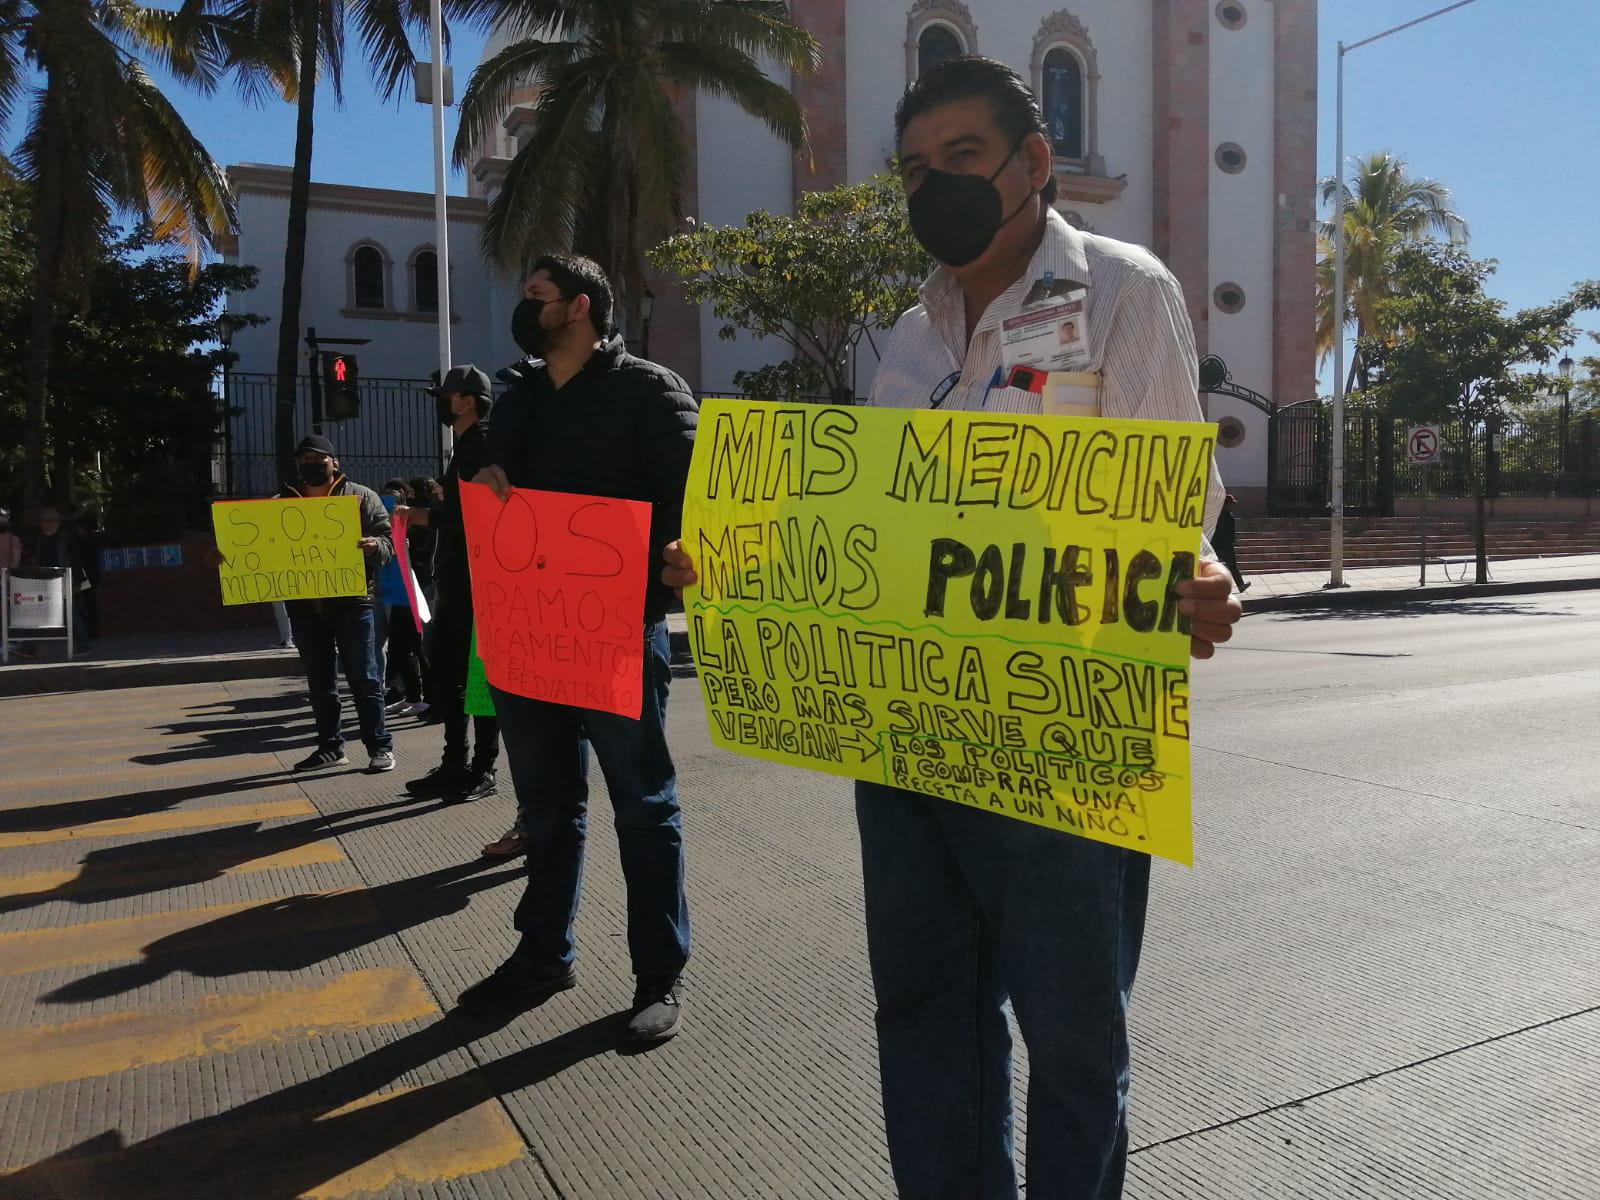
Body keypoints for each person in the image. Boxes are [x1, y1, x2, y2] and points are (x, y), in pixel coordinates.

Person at [661, 57, 1244, 1199]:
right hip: (908, 738)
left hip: (1064, 738)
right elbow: (885, 529)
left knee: (1074, 1039)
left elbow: (1176, 508)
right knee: (926, 1016)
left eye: (962, 159)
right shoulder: (909, 332)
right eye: (915, 170)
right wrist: (736, 567)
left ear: (1033, 163)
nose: (934, 187)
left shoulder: (1124, 290)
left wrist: (1207, 579)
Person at [455, 254, 697, 1046]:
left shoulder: (651, 392)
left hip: (617, 633)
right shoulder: (516, 392)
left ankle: (658, 973)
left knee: (643, 805)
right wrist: (488, 476)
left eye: (537, 298)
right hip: (529, 635)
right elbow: (493, 481)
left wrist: (676, 558)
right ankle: (542, 954)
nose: (525, 311)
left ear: (581, 308)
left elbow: (689, 503)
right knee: (550, 805)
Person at [394, 366, 500, 807]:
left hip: (476, 584)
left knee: (475, 679)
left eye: (447, 395)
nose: (441, 402)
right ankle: (457, 763)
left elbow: (476, 512)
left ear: (468, 401)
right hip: (460, 580)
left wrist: (422, 516)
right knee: (454, 677)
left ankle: (481, 767)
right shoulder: (470, 446)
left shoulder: (481, 444)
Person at [276, 434, 397, 773]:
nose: (310, 465)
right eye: (304, 460)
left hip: (351, 603)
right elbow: (261, 544)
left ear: (335, 462)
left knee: (364, 678)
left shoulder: (361, 497)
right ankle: (330, 747)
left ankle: (380, 746)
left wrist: (374, 546)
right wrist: (230, 556)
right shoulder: (283, 501)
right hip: (303, 606)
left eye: (317, 458)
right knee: (320, 682)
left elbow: (388, 540)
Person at [376, 479, 428, 716]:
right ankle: (411, 695)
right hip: (398, 593)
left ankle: (421, 697)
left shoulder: (421, 522)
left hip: (413, 593)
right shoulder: (393, 523)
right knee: (398, 646)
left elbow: (422, 558)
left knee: (414, 647)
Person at [28, 506, 90, 653]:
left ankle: (83, 645)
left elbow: (76, 561)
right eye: (45, 521)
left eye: (51, 521)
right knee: (41, 613)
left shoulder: (66, 540)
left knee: (70, 614)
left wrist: (76, 582)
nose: (48, 524)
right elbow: (38, 561)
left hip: (63, 581)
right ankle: (29, 647)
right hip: (45, 582)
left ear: (57, 523)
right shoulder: (40, 540)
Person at [1212, 494, 1249, 592]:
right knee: (1233, 566)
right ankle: (1240, 585)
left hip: (1216, 544)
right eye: (1231, 504)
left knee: (1214, 566)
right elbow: (1231, 531)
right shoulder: (1228, 516)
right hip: (1227, 545)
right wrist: (1232, 541)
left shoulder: (1216, 515)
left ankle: (1213, 587)